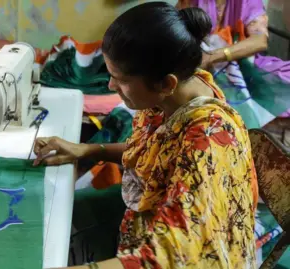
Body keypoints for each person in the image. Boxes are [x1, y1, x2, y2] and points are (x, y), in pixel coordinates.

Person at [34, 2, 258, 269]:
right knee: (48, 218)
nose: (110, 85)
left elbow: (164, 259)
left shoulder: (208, 144)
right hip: (148, 220)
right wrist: (90, 150)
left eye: (119, 79)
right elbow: (155, 148)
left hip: (183, 256)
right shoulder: (179, 93)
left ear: (166, 83)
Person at [177, 0, 290, 128]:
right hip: (200, 61)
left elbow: (260, 41)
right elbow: (177, 30)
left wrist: (212, 57)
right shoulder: (190, 2)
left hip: (242, 61)